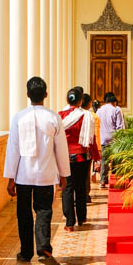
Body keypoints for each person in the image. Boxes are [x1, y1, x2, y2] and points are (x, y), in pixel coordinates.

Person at [4, 75, 70, 265]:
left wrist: (11, 178)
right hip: (45, 174)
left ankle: (26, 253)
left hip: (23, 174)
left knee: (23, 213)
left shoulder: (19, 117)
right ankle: (43, 248)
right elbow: (61, 149)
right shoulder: (53, 117)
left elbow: (12, 149)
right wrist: (64, 174)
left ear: (27, 95)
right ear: (46, 94)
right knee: (43, 211)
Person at [60, 87, 95, 231]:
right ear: (81, 101)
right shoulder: (86, 116)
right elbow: (91, 139)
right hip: (82, 156)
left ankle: (69, 223)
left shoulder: (60, 116)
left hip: (65, 157)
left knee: (67, 188)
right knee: (80, 186)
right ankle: (81, 217)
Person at [98, 91, 126, 188]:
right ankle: (114, 179)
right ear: (114, 101)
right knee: (116, 160)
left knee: (104, 161)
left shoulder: (99, 110)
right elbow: (120, 126)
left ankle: (102, 180)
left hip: (102, 139)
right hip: (114, 139)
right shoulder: (116, 110)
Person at [81, 93, 101, 203]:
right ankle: (85, 194)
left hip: (71, 151)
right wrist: (97, 151)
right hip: (86, 149)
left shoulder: (68, 115)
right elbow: (95, 134)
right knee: (85, 174)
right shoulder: (92, 116)